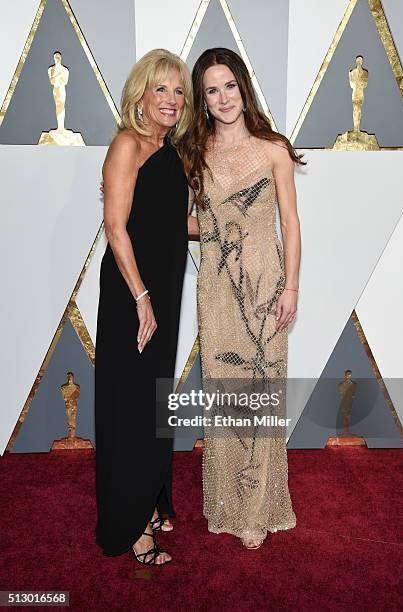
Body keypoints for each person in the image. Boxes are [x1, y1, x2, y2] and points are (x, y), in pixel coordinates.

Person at [180, 48, 304, 549]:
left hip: (266, 283)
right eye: (212, 90)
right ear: (203, 99)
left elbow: (290, 224)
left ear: (243, 87)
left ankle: (261, 507)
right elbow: (189, 223)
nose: (223, 97)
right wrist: (134, 203)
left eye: (229, 85)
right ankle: (228, 506)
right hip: (218, 288)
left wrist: (291, 287)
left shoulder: (274, 148)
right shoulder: (194, 151)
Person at [94, 49, 193, 565]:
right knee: (131, 405)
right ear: (141, 94)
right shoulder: (127, 145)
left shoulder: (171, 151)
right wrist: (141, 299)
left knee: (154, 403)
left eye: (178, 91)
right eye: (161, 89)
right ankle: (131, 524)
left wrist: (237, 225)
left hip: (163, 296)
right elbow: (116, 227)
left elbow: (176, 224)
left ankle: (151, 499)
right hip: (133, 297)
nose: (172, 100)